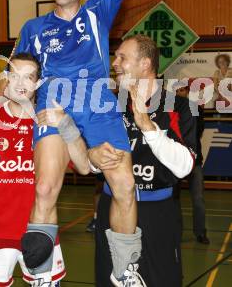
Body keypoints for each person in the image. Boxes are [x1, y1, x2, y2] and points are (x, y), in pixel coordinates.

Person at [8, 0, 143, 287]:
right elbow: (20, 74)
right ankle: (41, 274)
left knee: (124, 185)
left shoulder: (98, 13)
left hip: (99, 107)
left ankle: (124, 270)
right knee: (46, 187)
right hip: (53, 106)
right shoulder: (33, 27)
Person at [0, 53, 89, 287]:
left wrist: (66, 124)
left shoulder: (49, 121)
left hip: (41, 230)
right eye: (15, 76)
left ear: (37, 84)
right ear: (6, 79)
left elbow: (83, 166)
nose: (21, 84)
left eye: (29, 77)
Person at [89, 34, 197, 287]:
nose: (115, 63)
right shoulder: (108, 105)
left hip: (157, 214)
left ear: (145, 64)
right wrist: (92, 157)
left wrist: (147, 125)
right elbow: (88, 162)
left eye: (122, 58)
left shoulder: (181, 106)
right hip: (112, 208)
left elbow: (185, 167)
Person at [176, 85, 209, 244]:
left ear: (187, 92)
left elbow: (197, 132)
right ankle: (174, 232)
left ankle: (200, 232)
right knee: (173, 201)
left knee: (198, 199)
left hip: (194, 163)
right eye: (177, 91)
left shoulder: (196, 109)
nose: (180, 93)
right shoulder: (169, 110)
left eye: (182, 90)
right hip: (175, 163)